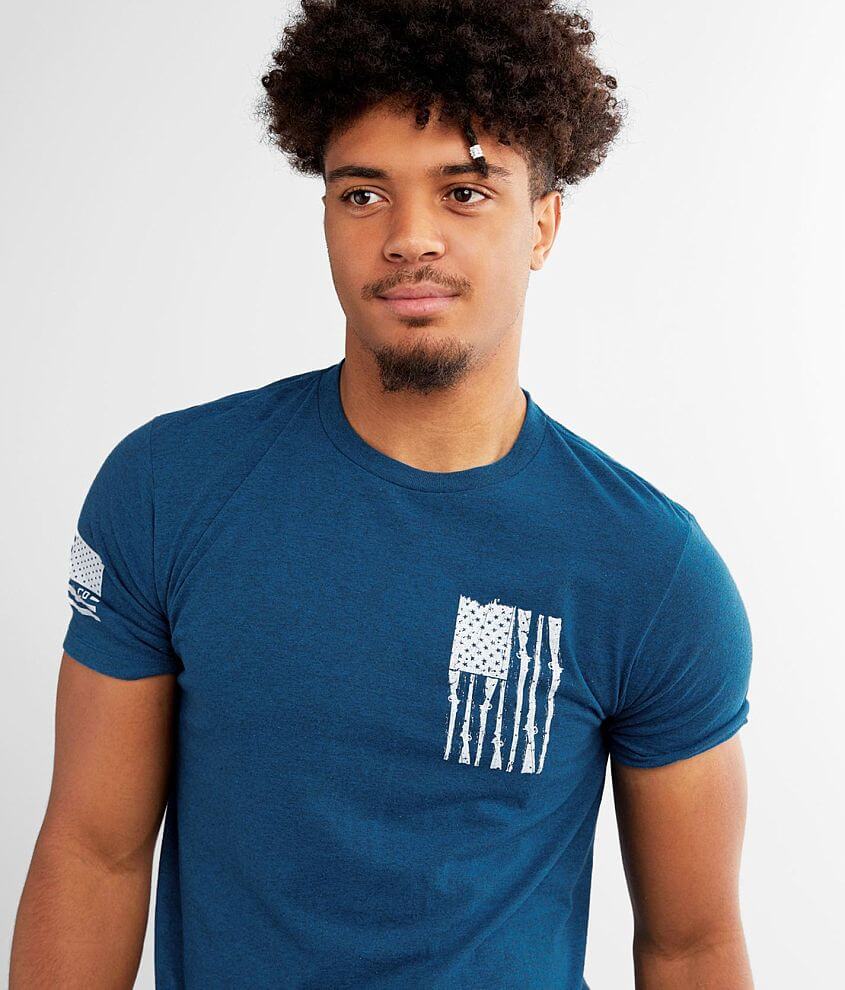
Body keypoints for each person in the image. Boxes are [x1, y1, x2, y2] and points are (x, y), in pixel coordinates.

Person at [10, 2, 754, 988]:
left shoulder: (647, 571)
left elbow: (690, 945)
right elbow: (92, 854)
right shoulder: (169, 489)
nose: (409, 238)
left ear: (541, 224)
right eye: (362, 194)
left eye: (463, 191)